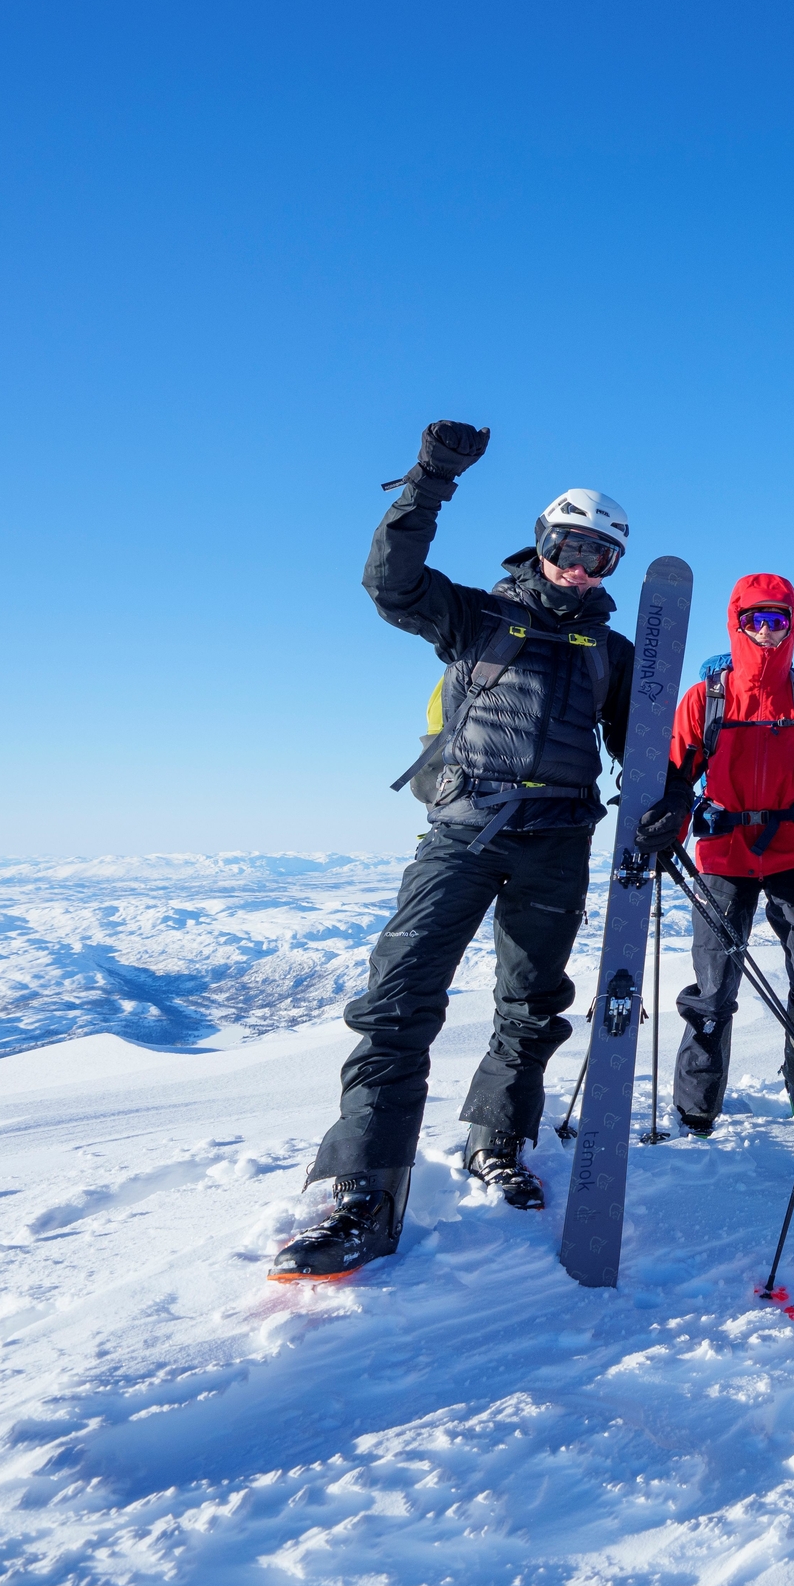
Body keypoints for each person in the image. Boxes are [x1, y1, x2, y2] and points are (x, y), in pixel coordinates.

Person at [270, 421, 697, 1282]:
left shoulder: (614, 653)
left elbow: (642, 754)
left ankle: (496, 1142)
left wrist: (669, 803)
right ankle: (364, 1190)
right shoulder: (475, 613)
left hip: (558, 840)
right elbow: (389, 586)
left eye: (598, 557)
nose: (579, 566)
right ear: (541, 540)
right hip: (463, 830)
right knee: (397, 1000)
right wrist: (428, 483)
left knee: (533, 1004)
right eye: (568, 546)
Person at [666, 575, 794, 1130]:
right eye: (756, 618)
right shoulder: (707, 697)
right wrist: (668, 828)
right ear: (738, 621)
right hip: (723, 859)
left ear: (793, 623)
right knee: (713, 987)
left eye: (779, 619)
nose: (768, 630)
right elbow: (675, 776)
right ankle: (695, 1108)